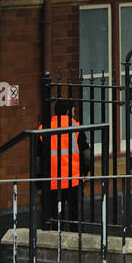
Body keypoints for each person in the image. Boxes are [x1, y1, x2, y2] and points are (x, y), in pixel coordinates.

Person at [37, 98, 90, 229]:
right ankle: (76, 243)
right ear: (67, 111)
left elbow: (38, 158)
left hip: (51, 181)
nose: (74, 111)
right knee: (75, 217)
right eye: (73, 109)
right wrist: (85, 173)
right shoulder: (76, 127)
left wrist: (38, 183)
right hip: (73, 180)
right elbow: (86, 154)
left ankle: (54, 243)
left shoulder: (43, 127)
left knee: (52, 217)